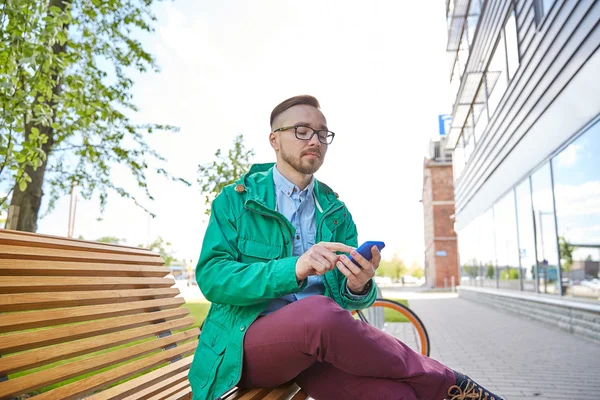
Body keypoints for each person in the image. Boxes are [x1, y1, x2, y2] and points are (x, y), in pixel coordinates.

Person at [188, 95, 504, 400]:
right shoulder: (236, 200)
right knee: (317, 312)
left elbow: (347, 295)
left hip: (316, 351)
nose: (315, 140)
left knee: (396, 395)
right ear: (274, 139)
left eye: (323, 134)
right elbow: (213, 277)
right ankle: (447, 383)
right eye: (302, 131)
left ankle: (443, 389)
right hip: (246, 345)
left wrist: (358, 283)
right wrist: (295, 267)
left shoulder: (336, 212)